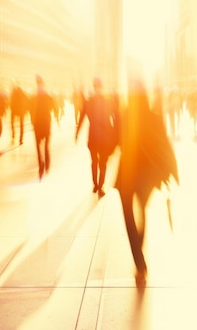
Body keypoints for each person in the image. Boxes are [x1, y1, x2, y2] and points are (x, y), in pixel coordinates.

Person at [115, 78, 179, 287]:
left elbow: (116, 140)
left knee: (128, 215)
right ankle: (140, 260)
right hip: (147, 175)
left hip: (127, 174)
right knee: (141, 210)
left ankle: (139, 261)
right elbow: (165, 143)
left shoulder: (124, 115)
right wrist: (173, 171)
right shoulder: (154, 117)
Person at [75, 78, 118, 197]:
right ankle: (100, 186)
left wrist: (77, 132)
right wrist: (116, 134)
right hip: (104, 137)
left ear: (94, 87)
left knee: (94, 161)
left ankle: (95, 184)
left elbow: (82, 117)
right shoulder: (108, 101)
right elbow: (116, 118)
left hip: (93, 137)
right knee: (102, 163)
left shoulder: (89, 102)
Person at [29, 74, 56, 180]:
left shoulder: (33, 98)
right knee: (46, 146)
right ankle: (46, 163)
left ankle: (41, 164)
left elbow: (30, 109)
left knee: (38, 146)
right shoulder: (49, 97)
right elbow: (53, 108)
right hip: (45, 124)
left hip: (38, 125)